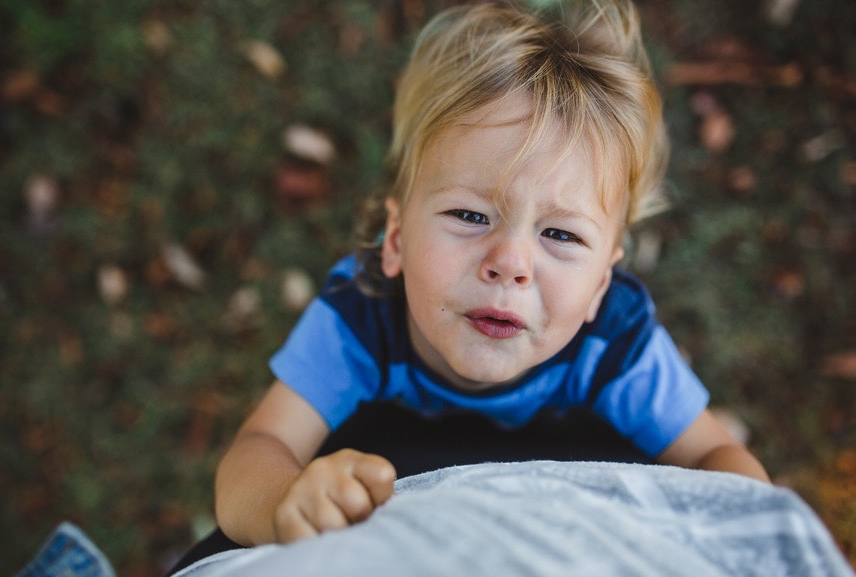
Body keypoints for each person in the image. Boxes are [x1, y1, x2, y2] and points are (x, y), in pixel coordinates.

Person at [212, 0, 770, 552]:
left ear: (602, 283)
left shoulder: (616, 341)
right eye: (471, 216)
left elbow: (715, 457)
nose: (510, 262)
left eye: (561, 235)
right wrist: (287, 504)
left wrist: (731, 538)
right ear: (397, 240)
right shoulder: (362, 309)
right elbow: (259, 448)